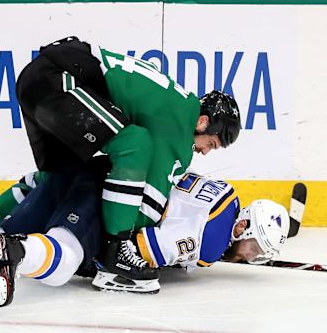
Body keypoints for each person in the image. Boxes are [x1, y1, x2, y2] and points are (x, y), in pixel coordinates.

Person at [0, 167, 289, 308]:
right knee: (62, 263)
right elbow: (136, 250)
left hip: (71, 173)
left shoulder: (224, 191)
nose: (247, 257)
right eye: (254, 249)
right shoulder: (214, 240)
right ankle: (18, 249)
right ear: (244, 228)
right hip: (100, 195)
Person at [15, 36, 242, 281]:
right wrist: (128, 242)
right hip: (60, 79)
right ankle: (115, 250)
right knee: (133, 144)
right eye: (211, 144)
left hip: (39, 78)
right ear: (203, 122)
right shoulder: (179, 127)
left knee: (63, 174)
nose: (205, 151)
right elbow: (152, 197)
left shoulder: (176, 104)